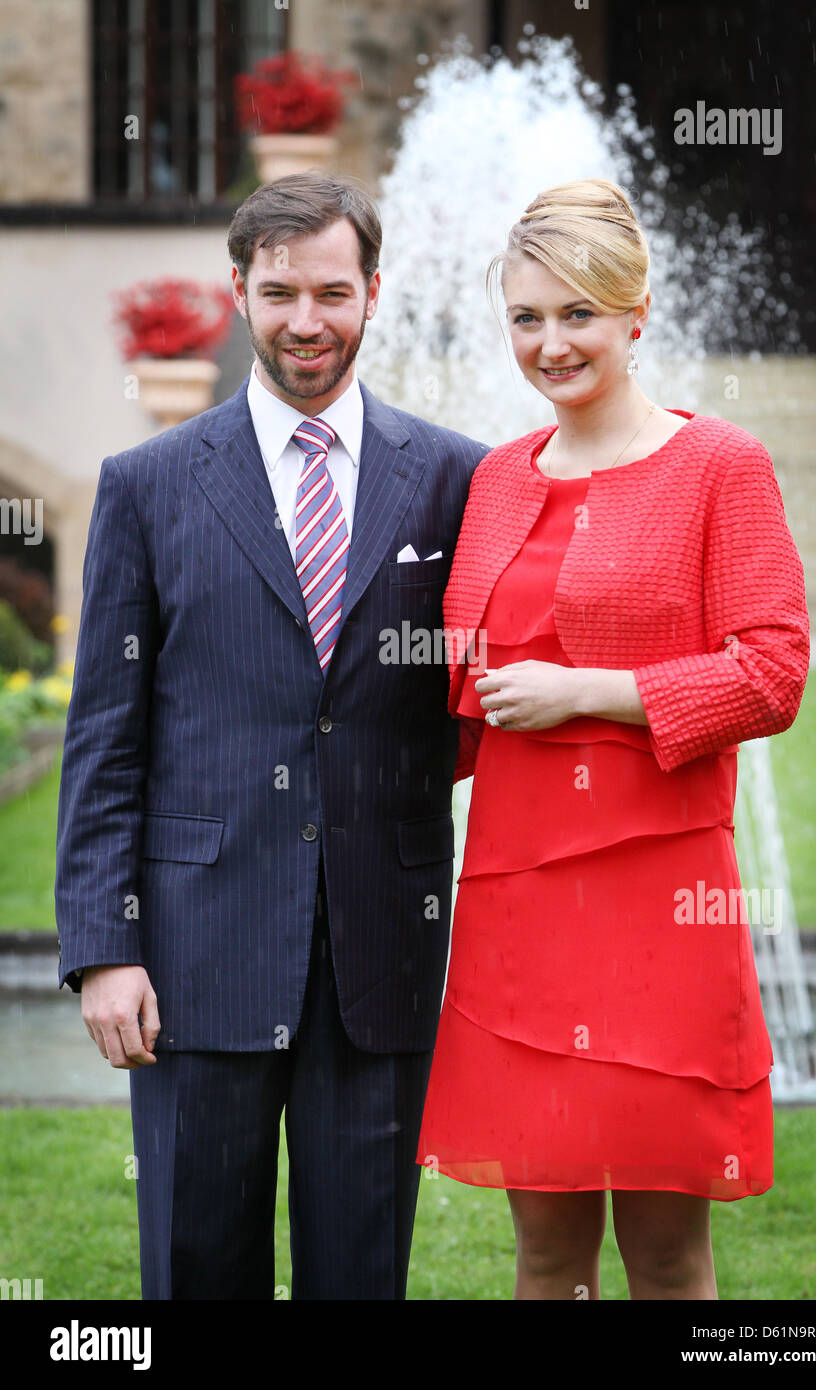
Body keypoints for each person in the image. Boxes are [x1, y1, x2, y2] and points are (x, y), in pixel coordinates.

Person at [54, 171, 488, 1300]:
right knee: (198, 1269)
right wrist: (105, 946)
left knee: (360, 1276)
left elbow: (479, 700)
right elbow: (105, 732)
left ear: (373, 294)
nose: (308, 320)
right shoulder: (146, 485)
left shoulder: (455, 478)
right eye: (282, 291)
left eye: (332, 293)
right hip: (194, 952)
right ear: (237, 291)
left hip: (379, 948)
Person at [416, 178, 810, 1300]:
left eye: (577, 312)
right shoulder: (493, 479)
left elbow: (772, 673)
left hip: (661, 899)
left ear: (636, 312)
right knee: (543, 1253)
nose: (550, 343)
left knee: (667, 1254)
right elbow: (453, 702)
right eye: (526, 318)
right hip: (515, 902)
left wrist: (588, 690)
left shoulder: (717, 465)